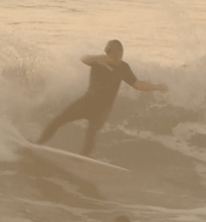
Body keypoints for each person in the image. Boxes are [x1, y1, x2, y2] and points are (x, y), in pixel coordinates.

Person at [36, 40, 167, 156]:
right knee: (59, 119)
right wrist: (96, 59)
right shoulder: (99, 61)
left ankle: (83, 160)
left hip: (103, 109)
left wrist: (157, 87)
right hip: (87, 102)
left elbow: (137, 84)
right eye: (110, 52)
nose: (117, 56)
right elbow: (83, 58)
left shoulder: (123, 68)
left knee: (91, 133)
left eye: (119, 53)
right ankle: (38, 144)